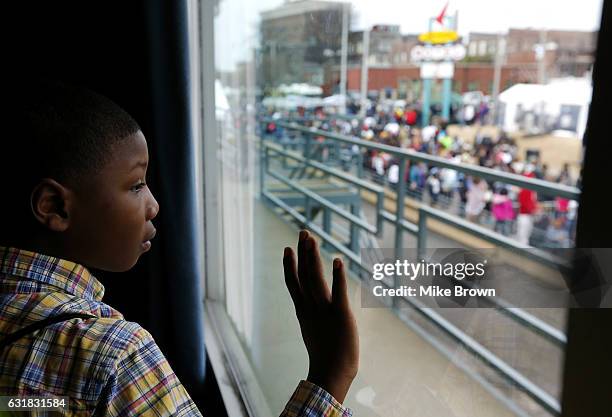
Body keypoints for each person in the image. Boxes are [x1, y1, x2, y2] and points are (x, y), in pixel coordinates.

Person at [0, 81, 359, 416]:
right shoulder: (115, 356)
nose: (154, 205)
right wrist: (331, 375)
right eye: (136, 185)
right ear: (53, 206)